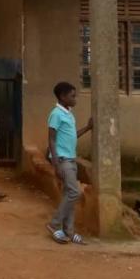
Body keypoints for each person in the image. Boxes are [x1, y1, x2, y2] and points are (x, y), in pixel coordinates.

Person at [46, 81, 93, 245]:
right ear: (62, 97)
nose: (75, 99)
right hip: (62, 159)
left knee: (69, 194)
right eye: (72, 96)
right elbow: (51, 139)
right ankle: (54, 224)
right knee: (74, 192)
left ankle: (69, 231)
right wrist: (56, 163)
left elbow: (71, 135)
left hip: (70, 158)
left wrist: (87, 128)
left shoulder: (69, 113)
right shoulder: (56, 114)